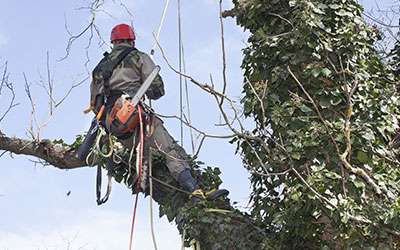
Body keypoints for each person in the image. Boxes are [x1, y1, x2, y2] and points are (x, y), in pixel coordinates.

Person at [88, 24, 228, 202]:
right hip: (132, 115)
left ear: (113, 43)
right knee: (169, 150)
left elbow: (94, 103)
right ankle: (194, 190)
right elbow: (157, 91)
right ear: (132, 41)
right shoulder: (139, 57)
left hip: (112, 125)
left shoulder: (98, 68)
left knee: (143, 154)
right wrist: (141, 83)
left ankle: (150, 185)